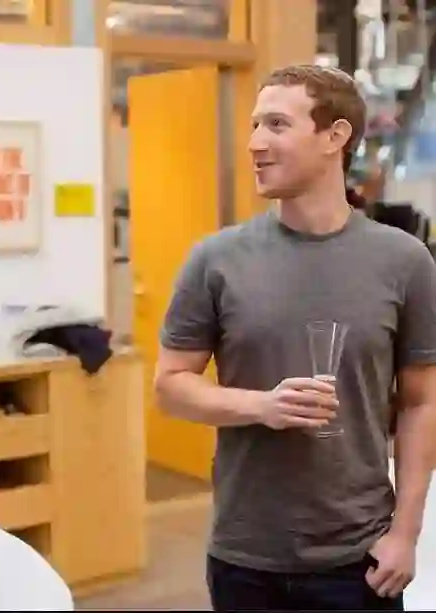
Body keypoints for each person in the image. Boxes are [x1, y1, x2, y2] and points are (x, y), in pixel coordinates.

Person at [154, 64, 436, 611]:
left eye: (277, 124)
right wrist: (262, 406)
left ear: (335, 137)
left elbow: (421, 403)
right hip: (245, 560)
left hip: (361, 562)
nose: (255, 143)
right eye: (255, 125)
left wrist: (406, 534)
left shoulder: (405, 261)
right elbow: (170, 386)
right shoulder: (216, 259)